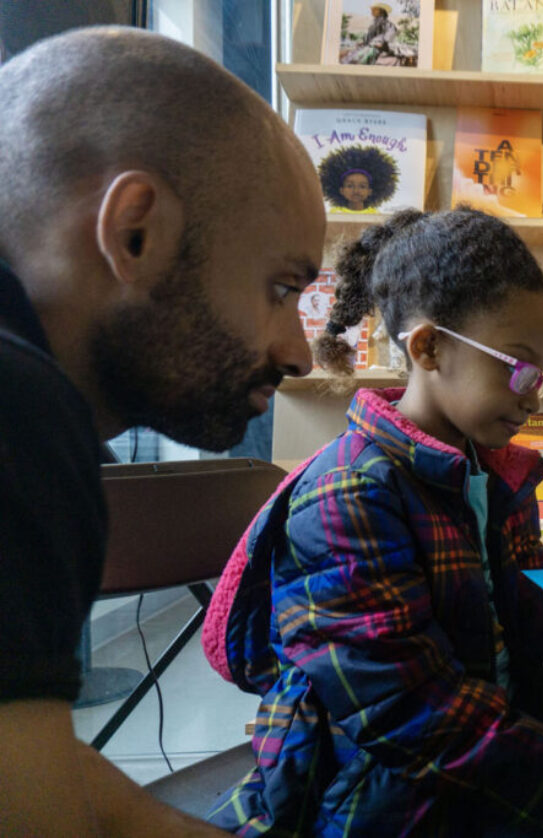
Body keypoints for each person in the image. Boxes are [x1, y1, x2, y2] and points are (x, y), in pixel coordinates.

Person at [0, 26, 325, 836]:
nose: (299, 353)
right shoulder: (17, 410)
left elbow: (33, 748)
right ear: (135, 232)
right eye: (281, 288)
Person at [201, 208, 543, 835]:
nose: (533, 397)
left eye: (542, 374)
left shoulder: (494, 474)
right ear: (428, 347)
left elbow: (536, 635)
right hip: (389, 804)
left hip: (498, 767)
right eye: (517, 367)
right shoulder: (347, 494)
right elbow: (411, 715)